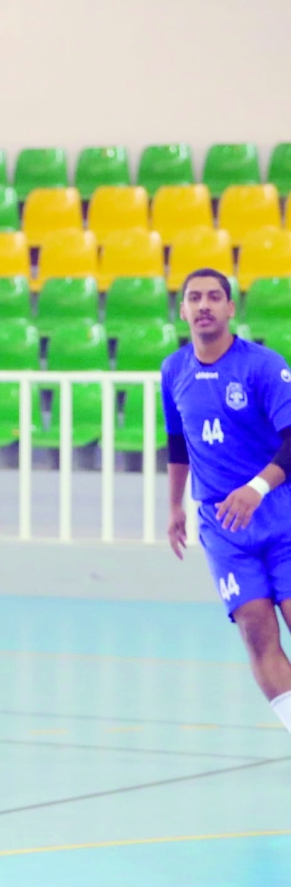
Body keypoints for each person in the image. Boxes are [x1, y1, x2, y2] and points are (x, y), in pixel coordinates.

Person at [163, 267, 291, 734]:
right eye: (194, 298)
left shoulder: (261, 366)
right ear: (182, 311)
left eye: (213, 297)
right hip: (223, 526)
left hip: (279, 513)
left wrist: (257, 488)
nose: (203, 306)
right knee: (257, 631)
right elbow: (178, 444)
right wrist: (174, 506)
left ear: (230, 308)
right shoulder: (173, 370)